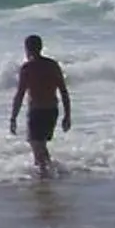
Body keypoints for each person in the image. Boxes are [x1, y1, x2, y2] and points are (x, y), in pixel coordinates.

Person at [10, 34, 72, 177]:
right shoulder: (52, 65)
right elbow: (63, 91)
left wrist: (13, 117)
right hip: (52, 110)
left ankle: (46, 176)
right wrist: (67, 115)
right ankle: (50, 172)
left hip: (37, 111)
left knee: (36, 145)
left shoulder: (27, 68)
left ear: (27, 49)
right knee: (40, 145)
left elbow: (20, 94)